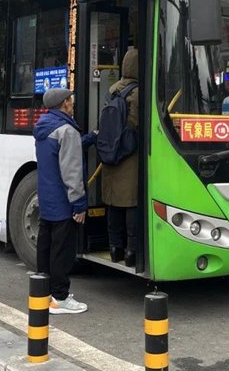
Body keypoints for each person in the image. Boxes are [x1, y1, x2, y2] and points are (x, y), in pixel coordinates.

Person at [34, 88, 97, 314]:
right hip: (63, 202)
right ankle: (60, 298)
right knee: (62, 251)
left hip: (47, 199)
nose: (72, 104)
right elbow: (71, 171)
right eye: (70, 101)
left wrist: (89, 139)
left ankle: (43, 291)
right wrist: (79, 204)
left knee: (46, 247)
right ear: (64, 104)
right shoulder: (67, 130)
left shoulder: (44, 128)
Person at [101, 48, 139, 267]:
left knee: (113, 203)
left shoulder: (113, 89)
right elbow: (135, 124)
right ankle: (131, 251)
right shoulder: (138, 92)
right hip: (129, 154)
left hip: (110, 152)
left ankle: (114, 247)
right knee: (130, 203)